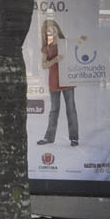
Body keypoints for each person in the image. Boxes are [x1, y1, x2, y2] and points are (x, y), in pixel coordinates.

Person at [37, 19, 79, 147]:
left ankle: (74, 138)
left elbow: (75, 54)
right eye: (49, 28)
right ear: (46, 32)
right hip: (54, 81)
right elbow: (44, 66)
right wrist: (55, 60)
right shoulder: (47, 47)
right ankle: (49, 137)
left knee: (71, 109)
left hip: (67, 79)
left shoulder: (65, 42)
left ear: (57, 28)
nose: (52, 29)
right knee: (54, 110)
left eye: (53, 26)